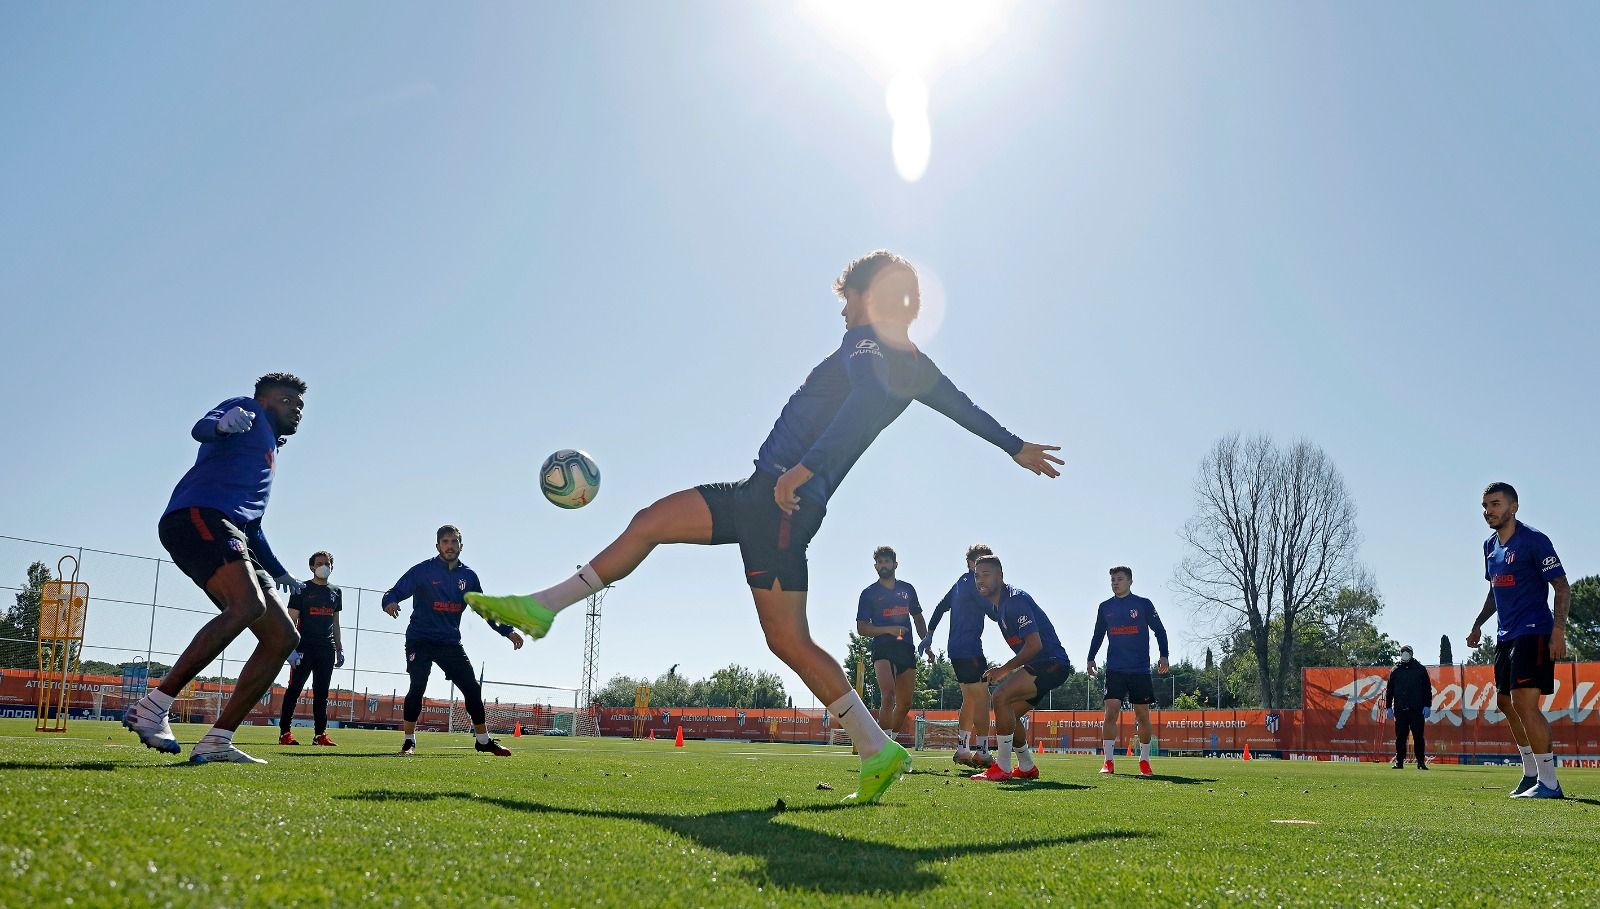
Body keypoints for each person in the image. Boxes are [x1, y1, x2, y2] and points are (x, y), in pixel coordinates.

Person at [467, 251, 1062, 804]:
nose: (843, 309)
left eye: (848, 298)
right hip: (767, 494)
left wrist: (807, 468)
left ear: (871, 296)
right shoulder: (912, 362)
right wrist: (1013, 447)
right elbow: (961, 406)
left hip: (782, 500)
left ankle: (877, 748)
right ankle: (545, 607)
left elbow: (860, 408)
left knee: (786, 638)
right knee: (659, 531)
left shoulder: (866, 346)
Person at [123, 373, 307, 764]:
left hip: (231, 530)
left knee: (282, 638)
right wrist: (222, 426)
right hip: (197, 516)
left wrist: (281, 571)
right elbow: (202, 428)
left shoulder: (271, 449)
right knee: (247, 604)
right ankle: (155, 704)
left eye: (301, 404)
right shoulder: (248, 410)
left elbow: (252, 527)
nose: (298, 409)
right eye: (288, 401)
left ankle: (218, 740)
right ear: (267, 400)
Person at [1466, 482, 1571, 799]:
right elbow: (1494, 592)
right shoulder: (1489, 546)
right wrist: (1476, 625)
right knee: (1505, 703)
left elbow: (1562, 587)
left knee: (1525, 704)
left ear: (1514, 506)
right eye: (1485, 506)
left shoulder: (1535, 541)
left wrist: (1558, 632)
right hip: (1505, 636)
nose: (1489, 511)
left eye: (1496, 504)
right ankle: (1530, 774)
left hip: (1534, 631)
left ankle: (1550, 782)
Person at [382, 525, 524, 757]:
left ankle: (483, 740)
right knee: (417, 686)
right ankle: (409, 741)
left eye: (454, 542)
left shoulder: (468, 577)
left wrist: (507, 631)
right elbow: (394, 591)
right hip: (420, 639)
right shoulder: (422, 571)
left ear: (461, 546)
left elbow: (484, 609)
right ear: (437, 546)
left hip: (449, 643)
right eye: (445, 542)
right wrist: (389, 602)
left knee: (472, 688)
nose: (450, 546)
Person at [967, 556, 1071, 782]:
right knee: (1009, 715)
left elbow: (1035, 644)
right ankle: (1026, 766)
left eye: (986, 574)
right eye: (977, 575)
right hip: (1042, 665)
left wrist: (1004, 670)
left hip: (1051, 663)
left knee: (1000, 696)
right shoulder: (1000, 606)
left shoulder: (1015, 601)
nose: (980, 580)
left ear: (1001, 576)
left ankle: (1002, 767)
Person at [919, 543, 999, 767]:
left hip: (956, 649)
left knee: (970, 698)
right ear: (970, 564)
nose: (984, 567)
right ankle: (983, 752)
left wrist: (929, 636)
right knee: (983, 697)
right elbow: (993, 613)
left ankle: (963, 749)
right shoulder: (973, 584)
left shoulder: (959, 583)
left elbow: (940, 607)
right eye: (980, 561)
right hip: (970, 649)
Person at [1086, 566, 1169, 777]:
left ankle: (1145, 760)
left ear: (1130, 581)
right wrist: (1090, 657)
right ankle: (1108, 761)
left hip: (1139, 669)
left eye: (1119, 579)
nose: (1115, 582)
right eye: (1112, 579)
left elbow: (1160, 630)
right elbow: (1098, 635)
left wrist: (1164, 655)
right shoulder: (1105, 607)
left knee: (1142, 715)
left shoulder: (1143, 604)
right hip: (1114, 669)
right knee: (1111, 711)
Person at [855, 545, 927, 740]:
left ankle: (889, 742)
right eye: (879, 562)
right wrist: (888, 630)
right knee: (888, 694)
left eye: (887, 561)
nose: (883, 565)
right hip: (883, 647)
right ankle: (882, 747)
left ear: (895, 564)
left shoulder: (907, 589)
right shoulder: (868, 593)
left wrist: (926, 643)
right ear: (875, 567)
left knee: (905, 704)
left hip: (906, 647)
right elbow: (862, 629)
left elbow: (918, 618)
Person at [279, 550, 344, 746]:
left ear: (332, 567)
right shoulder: (301, 589)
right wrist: (289, 648)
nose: (324, 566)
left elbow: (336, 622)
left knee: (322, 693)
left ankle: (320, 735)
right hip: (303, 648)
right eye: (319, 563)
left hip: (326, 649)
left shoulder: (336, 591)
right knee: (294, 689)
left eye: (327, 563)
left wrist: (339, 649)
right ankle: (285, 733)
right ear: (312, 567)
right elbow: (290, 621)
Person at [1385, 644, 1433, 769]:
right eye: (1403, 652)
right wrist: (1388, 707)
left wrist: (1427, 705)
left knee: (1418, 737)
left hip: (1416, 709)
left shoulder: (1420, 669)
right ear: (1400, 654)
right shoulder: (1395, 670)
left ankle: (1421, 762)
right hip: (1400, 709)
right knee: (1400, 737)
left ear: (1412, 654)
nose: (1405, 654)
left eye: (1407, 652)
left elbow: (1427, 689)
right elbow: (1389, 690)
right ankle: (1399, 761)